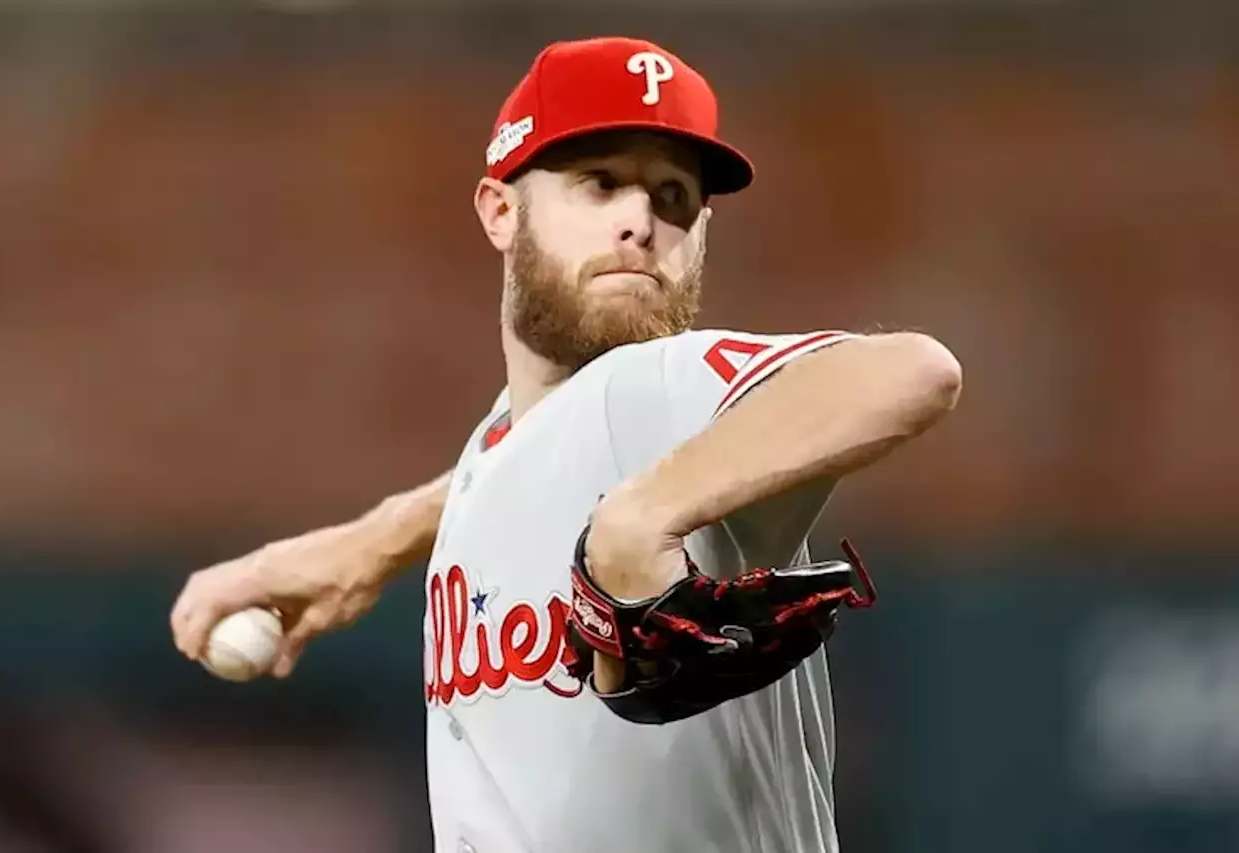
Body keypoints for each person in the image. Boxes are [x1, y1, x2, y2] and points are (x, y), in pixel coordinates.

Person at [171, 35, 962, 853]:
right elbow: (525, 459)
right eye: (601, 183)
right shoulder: (511, 436)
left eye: (673, 196)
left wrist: (646, 515)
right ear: (500, 210)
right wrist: (371, 543)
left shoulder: (666, 387)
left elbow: (912, 370)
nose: (640, 221)